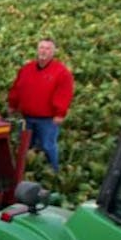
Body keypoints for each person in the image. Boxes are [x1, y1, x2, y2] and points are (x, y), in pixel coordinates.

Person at [8, 37, 75, 171]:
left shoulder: (61, 72)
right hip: (27, 116)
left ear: (53, 52)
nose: (44, 51)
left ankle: (54, 172)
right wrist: (12, 104)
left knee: (48, 145)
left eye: (48, 48)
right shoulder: (27, 69)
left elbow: (63, 94)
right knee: (26, 145)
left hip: (47, 119)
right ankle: (26, 171)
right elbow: (17, 88)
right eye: (41, 48)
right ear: (37, 50)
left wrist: (60, 114)